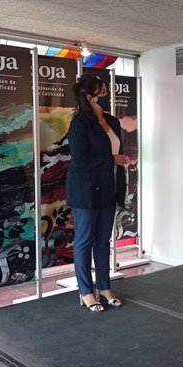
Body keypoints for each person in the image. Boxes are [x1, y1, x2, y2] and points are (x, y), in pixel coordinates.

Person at [66, 74, 129, 312]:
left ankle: (104, 287)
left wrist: (118, 163)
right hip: (85, 190)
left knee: (103, 241)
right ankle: (85, 291)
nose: (105, 96)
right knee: (84, 242)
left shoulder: (112, 121)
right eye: (101, 92)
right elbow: (80, 159)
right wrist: (112, 158)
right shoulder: (79, 123)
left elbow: (117, 153)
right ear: (88, 96)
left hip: (108, 186)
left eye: (105, 92)